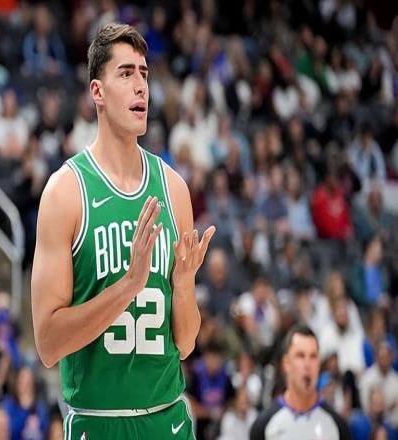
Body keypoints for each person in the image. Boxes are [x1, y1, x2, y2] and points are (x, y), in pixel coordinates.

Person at [31, 23, 215, 439]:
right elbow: (47, 344)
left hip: (168, 418)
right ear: (97, 91)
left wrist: (184, 285)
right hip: (98, 423)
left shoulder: (174, 189)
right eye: (126, 73)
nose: (141, 86)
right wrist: (128, 285)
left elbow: (185, 343)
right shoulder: (66, 192)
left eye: (144, 74)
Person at [249, 324, 352, 440]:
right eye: (300, 356)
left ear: (319, 364)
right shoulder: (264, 426)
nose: (307, 364)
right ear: (286, 363)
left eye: (313, 356)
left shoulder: (337, 426)